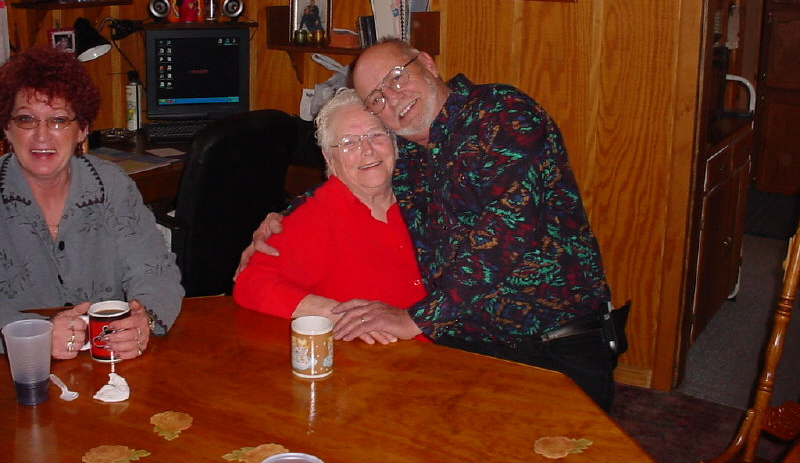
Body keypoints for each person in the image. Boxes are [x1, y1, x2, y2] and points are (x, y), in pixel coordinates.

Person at [240, 40, 618, 411]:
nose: (392, 98)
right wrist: (285, 219)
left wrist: (414, 319)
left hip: (554, 347)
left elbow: (505, 236)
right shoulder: (413, 154)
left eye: (396, 77)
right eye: (377, 98)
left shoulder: (502, 115)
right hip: (467, 352)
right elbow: (355, 175)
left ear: (427, 63)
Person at [0, 46, 184, 360]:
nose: (42, 136)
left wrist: (145, 320)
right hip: (15, 369)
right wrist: (35, 334)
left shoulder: (111, 186)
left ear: (82, 130)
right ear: (7, 127)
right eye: (27, 120)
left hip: (108, 365)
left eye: (58, 120)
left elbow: (157, 271)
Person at [233, 88, 426, 345]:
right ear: (328, 157)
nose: (367, 149)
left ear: (394, 142)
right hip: (382, 361)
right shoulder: (317, 217)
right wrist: (343, 315)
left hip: (451, 350)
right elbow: (251, 283)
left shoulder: (422, 197)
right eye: (348, 142)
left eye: (376, 134)